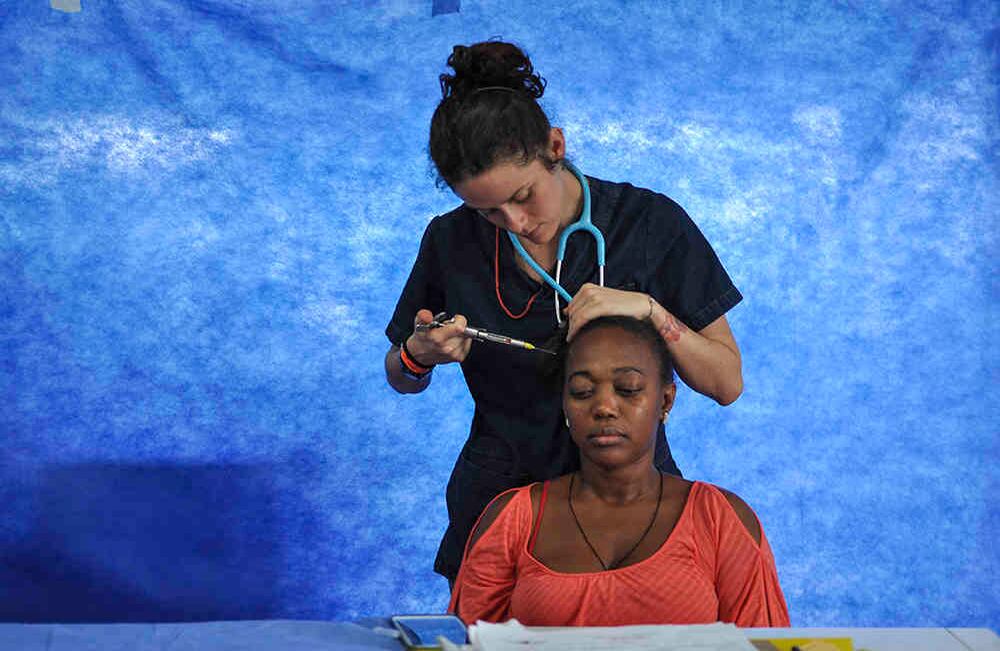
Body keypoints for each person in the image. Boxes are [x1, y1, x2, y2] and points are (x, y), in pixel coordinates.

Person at [384, 40, 744, 586]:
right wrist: (418, 354)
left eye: (524, 195)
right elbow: (400, 374)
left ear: (555, 146)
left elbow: (726, 382)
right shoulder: (450, 240)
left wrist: (650, 311)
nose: (515, 222)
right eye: (488, 212)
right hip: (499, 500)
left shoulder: (649, 223)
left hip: (631, 500)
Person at [449, 316, 789, 627]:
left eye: (628, 389)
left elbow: (764, 643)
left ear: (666, 401)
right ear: (565, 404)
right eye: (582, 392)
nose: (604, 407)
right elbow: (462, 640)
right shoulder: (513, 519)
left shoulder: (719, 519)